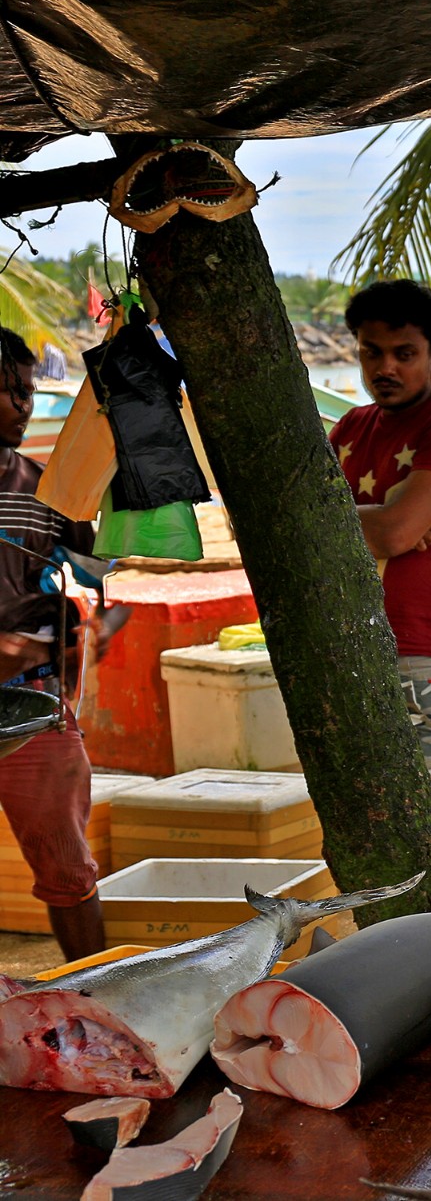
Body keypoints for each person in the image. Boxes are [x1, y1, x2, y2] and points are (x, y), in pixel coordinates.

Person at [329, 280, 431, 883]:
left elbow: (396, 533)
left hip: (417, 651)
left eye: (404, 353)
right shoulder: (348, 428)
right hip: (339, 648)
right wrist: (383, 520)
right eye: (372, 352)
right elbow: (277, 528)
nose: (386, 367)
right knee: (361, 811)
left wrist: (376, 522)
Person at [0, 328, 106, 958]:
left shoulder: (51, 493)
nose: (24, 405)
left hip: (35, 707)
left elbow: (89, 583)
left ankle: (93, 998)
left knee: (68, 870)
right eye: (8, 392)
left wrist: (70, 638)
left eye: (28, 391)